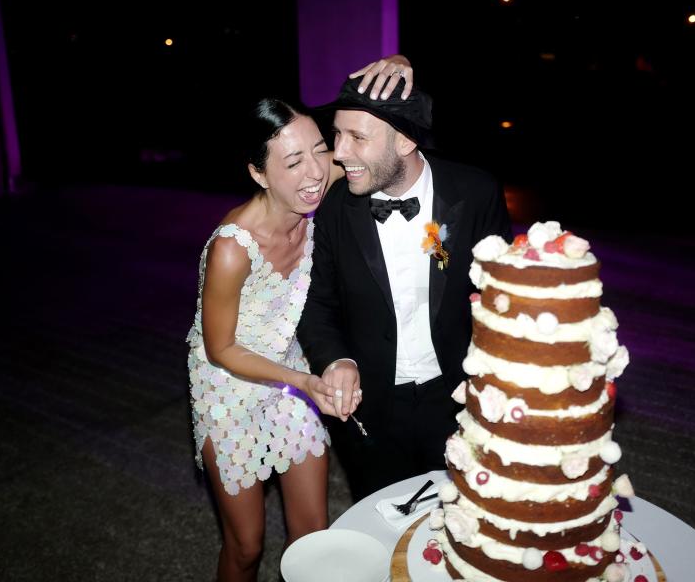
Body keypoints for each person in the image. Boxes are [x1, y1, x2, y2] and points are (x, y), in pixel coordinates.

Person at [185, 56, 413, 582]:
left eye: (319, 150)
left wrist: (398, 66)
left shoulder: (324, 176)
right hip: (228, 389)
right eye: (292, 163)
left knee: (313, 539)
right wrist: (305, 381)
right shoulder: (231, 249)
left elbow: (379, 143)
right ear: (257, 172)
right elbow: (220, 348)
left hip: (289, 374)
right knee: (246, 548)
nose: (315, 173)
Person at [296, 74, 512, 501]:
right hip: (371, 408)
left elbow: (501, 295)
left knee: (465, 521)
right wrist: (336, 358)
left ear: (406, 141)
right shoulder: (334, 207)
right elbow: (316, 301)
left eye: (357, 137)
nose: (338, 154)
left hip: (458, 398)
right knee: (382, 523)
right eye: (337, 135)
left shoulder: (475, 192)